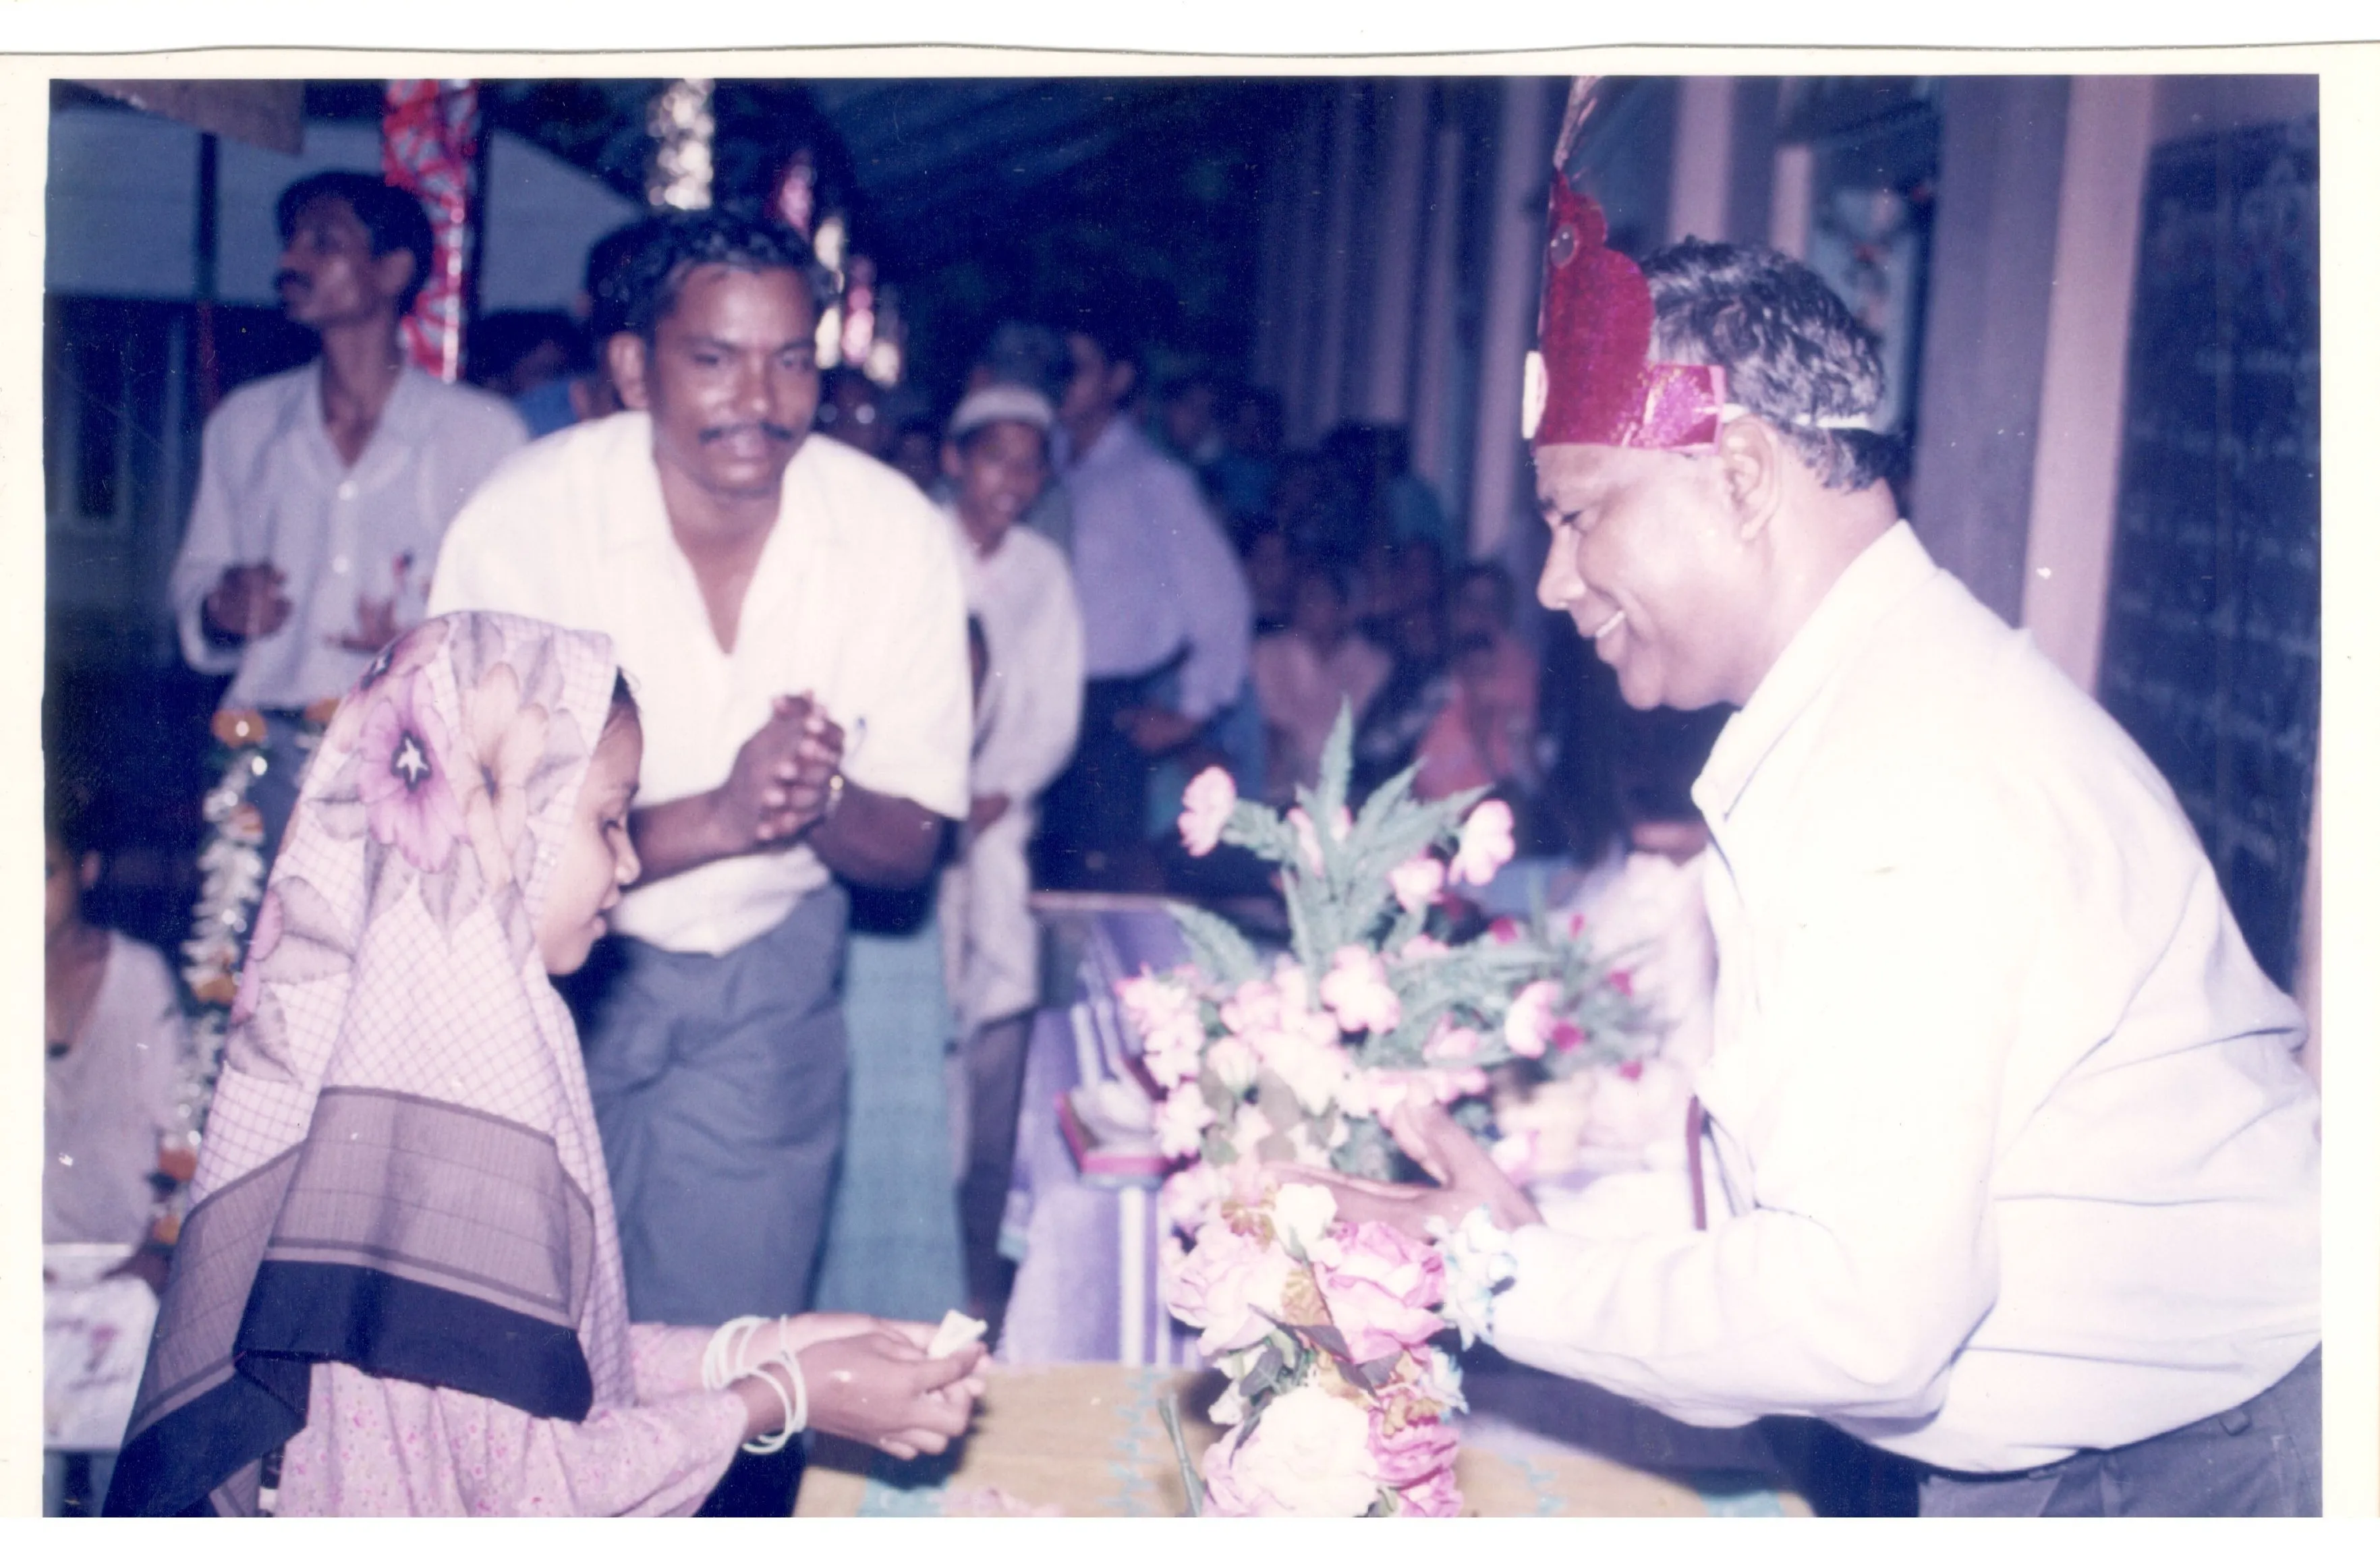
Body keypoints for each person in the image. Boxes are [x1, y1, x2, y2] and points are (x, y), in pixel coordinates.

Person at [1299, 165, 2321, 1517]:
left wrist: (1492, 1274)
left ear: (1738, 472)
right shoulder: (1875, 710)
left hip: (2197, 1474)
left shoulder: (1911, 772)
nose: (1553, 582)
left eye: (1580, 514)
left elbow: (1863, 1317)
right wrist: (1528, 1253)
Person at [105, 614, 983, 1517]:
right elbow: (538, 1496)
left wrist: (765, 1344)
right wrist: (784, 1392)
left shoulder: (474, 1042)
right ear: (500, 819)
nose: (633, 860)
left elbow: (539, 1369)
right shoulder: (452, 1116)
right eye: (609, 820)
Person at [425, 212, 970, 1513]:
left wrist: (808, 796)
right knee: (511, 1355)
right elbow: (467, 846)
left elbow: (904, 853)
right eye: (715, 360)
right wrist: (719, 813)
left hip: (761, 982)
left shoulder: (889, 532)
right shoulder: (526, 520)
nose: (761, 402)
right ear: (631, 369)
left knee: (727, 1364)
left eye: (792, 362)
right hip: (535, 986)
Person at [167, 171, 528, 850]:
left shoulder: (481, 434)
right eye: (288, 243)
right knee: (257, 954)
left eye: (321, 243)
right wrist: (220, 607)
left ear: (393, 271)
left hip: (423, 758)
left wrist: (425, 635)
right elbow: (194, 580)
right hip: (264, 753)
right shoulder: (245, 425)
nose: (288, 262)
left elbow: (517, 617)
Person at [931, 384, 1085, 1328]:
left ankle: (973, 1261)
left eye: (1031, 463)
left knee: (994, 1026)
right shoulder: (914, 544)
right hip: (912, 820)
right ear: (957, 460)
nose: (1012, 480)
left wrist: (996, 789)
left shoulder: (1043, 571)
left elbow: (1052, 709)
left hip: (993, 823)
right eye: (996, 457)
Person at [1036, 314, 1251, 888]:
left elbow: (1222, 599)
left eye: (1077, 369)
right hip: (1037, 696)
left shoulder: (1152, 481)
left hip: (1107, 712)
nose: (1061, 382)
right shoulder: (1039, 465)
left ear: (1118, 378)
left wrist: (1193, 708)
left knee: (1097, 879)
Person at [44, 788, 186, 1249]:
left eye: (42, 874)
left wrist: (157, 1251)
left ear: (86, 869)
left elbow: (180, 1130)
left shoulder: (138, 975)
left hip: (125, 1252)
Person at [1249, 554, 1390, 804]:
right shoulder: (1267, 654)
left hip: (1344, 796)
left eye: (1319, 596)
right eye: (1303, 597)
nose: (1307, 605)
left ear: (1345, 609)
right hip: (1276, 793)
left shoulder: (1373, 664)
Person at [1411, 562, 1541, 803]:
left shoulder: (1518, 668)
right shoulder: (1432, 661)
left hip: (1496, 803)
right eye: (1471, 603)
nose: (1481, 615)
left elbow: (1526, 772)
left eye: (1491, 605)